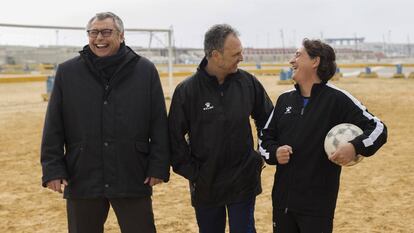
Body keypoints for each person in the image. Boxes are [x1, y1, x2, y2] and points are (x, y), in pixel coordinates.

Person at [40, 12, 170, 233]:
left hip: (132, 172)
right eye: (94, 32)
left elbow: (158, 122)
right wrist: (52, 168)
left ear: (121, 35)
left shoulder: (145, 70)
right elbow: (54, 124)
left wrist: (158, 165)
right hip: (82, 174)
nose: (99, 37)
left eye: (106, 32)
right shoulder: (67, 72)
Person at [259, 39, 388, 233]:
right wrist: (274, 153)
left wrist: (355, 146)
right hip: (282, 203)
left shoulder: (337, 99)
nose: (291, 61)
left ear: (315, 61)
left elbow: (378, 128)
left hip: (317, 206)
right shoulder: (284, 100)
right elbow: (264, 138)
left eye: (297, 55)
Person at [168, 24, 273, 233]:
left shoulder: (248, 83)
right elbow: (174, 138)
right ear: (215, 55)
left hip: (243, 181)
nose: (241, 57)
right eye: (236, 53)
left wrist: (259, 156)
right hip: (206, 184)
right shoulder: (187, 91)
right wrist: (194, 173)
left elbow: (269, 121)